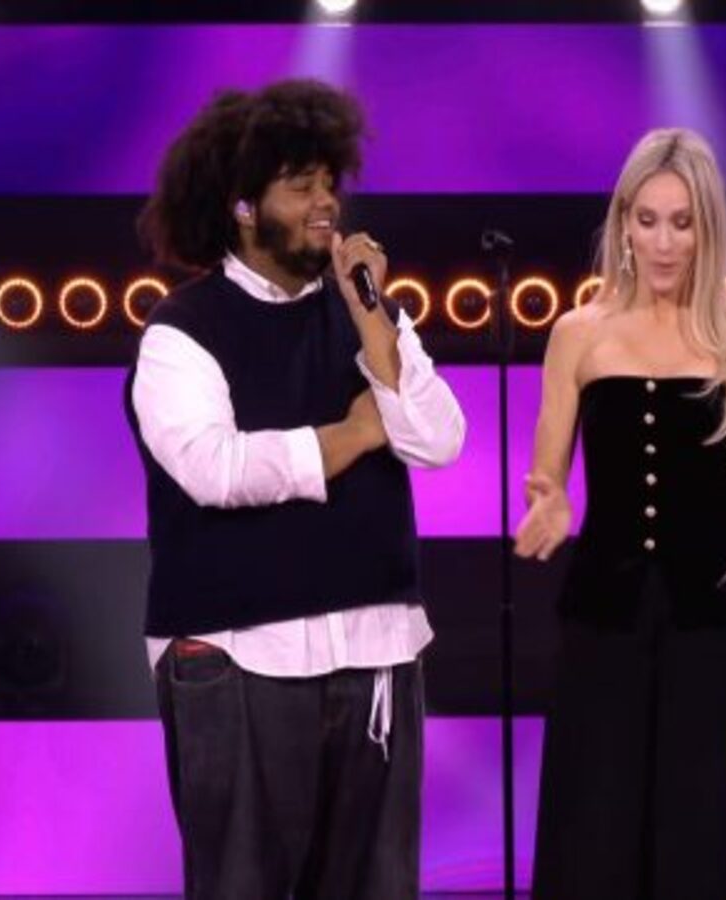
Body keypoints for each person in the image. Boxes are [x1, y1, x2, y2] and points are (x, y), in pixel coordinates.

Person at [126, 78, 465, 899]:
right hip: (239, 653)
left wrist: (373, 316)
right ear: (244, 208)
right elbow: (214, 469)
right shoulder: (181, 331)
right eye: (300, 186)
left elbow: (438, 437)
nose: (325, 205)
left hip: (377, 648)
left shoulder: (367, 315)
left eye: (329, 183)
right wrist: (351, 435)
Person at [514, 127, 726, 899]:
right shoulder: (579, 334)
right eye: (648, 220)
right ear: (624, 225)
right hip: (605, 616)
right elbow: (546, 475)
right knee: (593, 831)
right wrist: (550, 503)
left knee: (699, 830)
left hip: (710, 621)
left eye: (683, 223)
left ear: (708, 229)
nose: (664, 242)